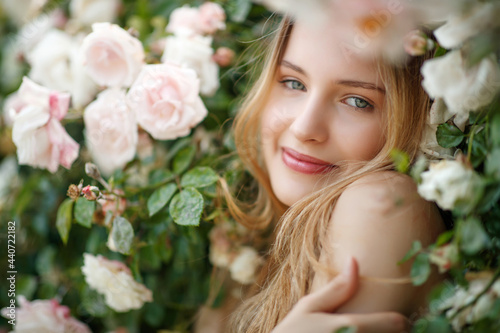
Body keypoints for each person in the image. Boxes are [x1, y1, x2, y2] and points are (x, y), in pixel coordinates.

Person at [198, 13, 446, 333]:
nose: (304, 128)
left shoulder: (382, 202)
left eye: (357, 101)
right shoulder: (252, 239)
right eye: (293, 83)